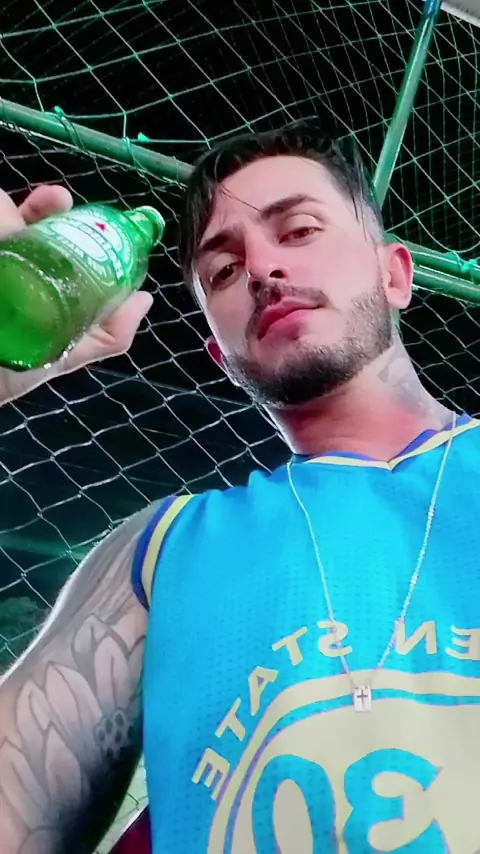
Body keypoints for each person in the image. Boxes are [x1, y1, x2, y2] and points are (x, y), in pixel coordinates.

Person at [1, 120, 479, 854]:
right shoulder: (158, 556)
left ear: (395, 274)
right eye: (223, 271)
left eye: (300, 229)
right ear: (220, 356)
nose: (261, 267)